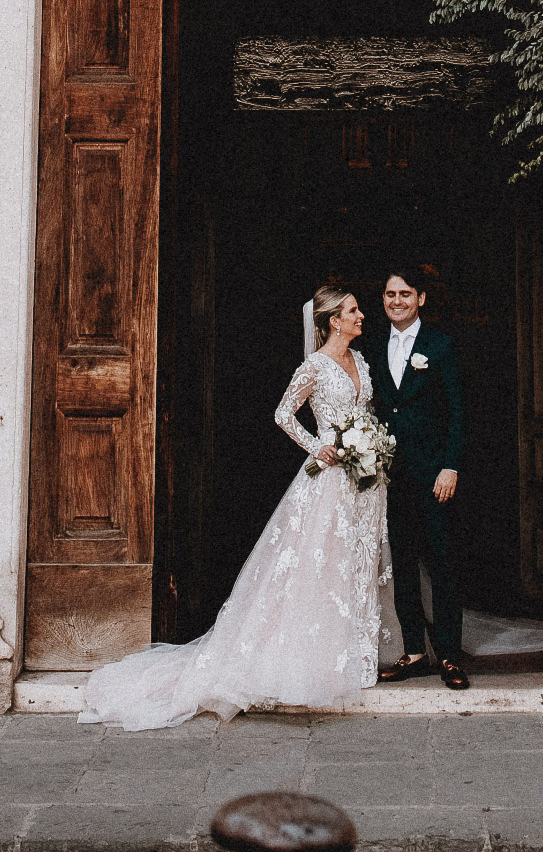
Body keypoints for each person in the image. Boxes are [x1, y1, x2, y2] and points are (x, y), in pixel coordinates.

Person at [80, 286, 389, 727]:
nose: (362, 315)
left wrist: (370, 447)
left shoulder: (360, 361)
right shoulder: (315, 366)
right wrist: (317, 447)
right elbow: (283, 413)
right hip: (327, 482)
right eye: (354, 310)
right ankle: (316, 660)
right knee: (319, 565)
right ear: (334, 320)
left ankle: (359, 658)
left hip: (363, 481)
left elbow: (365, 414)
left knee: (358, 562)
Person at [372, 264, 468, 690]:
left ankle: (449, 654)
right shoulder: (373, 347)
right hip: (390, 477)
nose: (397, 301)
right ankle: (413, 650)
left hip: (434, 475)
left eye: (405, 294)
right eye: (391, 295)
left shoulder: (441, 346)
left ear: (421, 299)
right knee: (404, 564)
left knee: (443, 562)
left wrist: (451, 466)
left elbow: (459, 414)